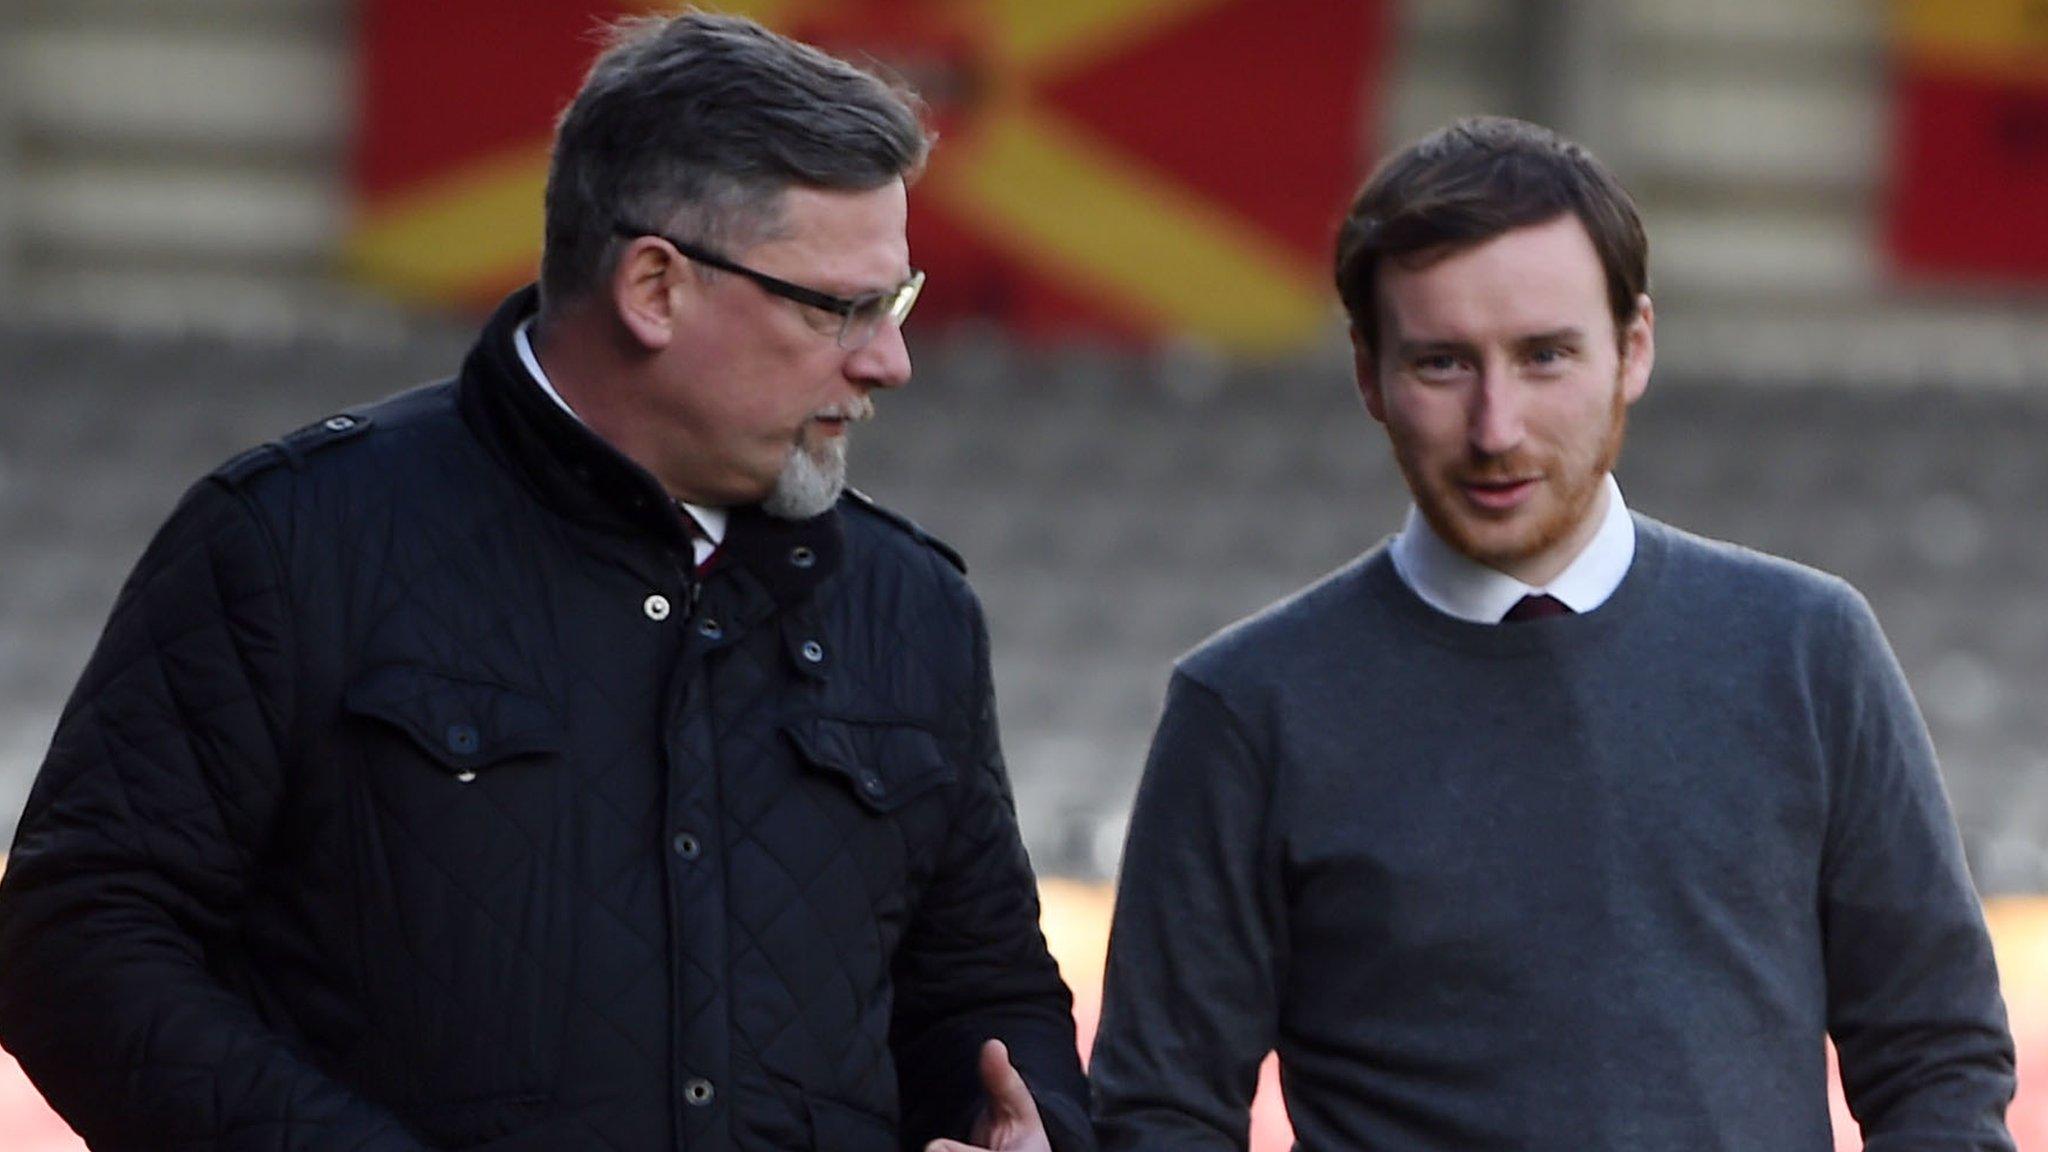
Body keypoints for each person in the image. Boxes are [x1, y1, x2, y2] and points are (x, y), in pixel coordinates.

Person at [0, 12, 1091, 1151]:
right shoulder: (288, 541)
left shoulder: (914, 611)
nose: (889, 361)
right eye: (839, 309)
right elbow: (79, 946)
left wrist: (1024, 1127)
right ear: (655, 288)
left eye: (895, 302)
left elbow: (985, 995)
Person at [1088, 116, 2015, 1151]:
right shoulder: (1246, 710)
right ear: (1367, 374)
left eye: (1543, 357)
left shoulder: (1806, 652)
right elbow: (1160, 1111)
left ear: (1633, 350)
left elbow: (1937, 1056)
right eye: (1441, 364)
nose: (1495, 427)